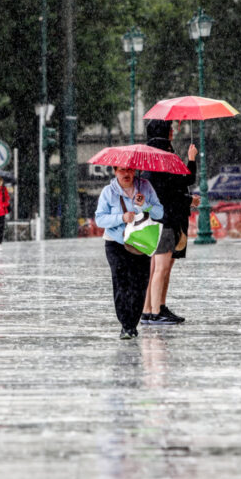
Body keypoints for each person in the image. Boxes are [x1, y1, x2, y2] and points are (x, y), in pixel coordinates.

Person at [94, 166, 164, 340]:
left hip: (140, 242)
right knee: (121, 282)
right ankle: (127, 325)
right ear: (115, 171)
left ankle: (133, 321)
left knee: (139, 284)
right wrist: (121, 217)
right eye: (122, 170)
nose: (127, 174)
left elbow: (159, 212)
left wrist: (145, 205)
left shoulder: (145, 187)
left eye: (130, 170)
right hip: (115, 242)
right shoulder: (108, 192)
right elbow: (100, 219)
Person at [141, 119, 198, 326]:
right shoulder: (165, 158)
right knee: (162, 268)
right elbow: (185, 180)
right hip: (165, 220)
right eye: (170, 129)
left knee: (155, 267)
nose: (173, 132)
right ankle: (157, 311)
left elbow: (164, 189)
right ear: (165, 133)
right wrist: (191, 159)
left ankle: (149, 309)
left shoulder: (148, 158)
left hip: (153, 220)